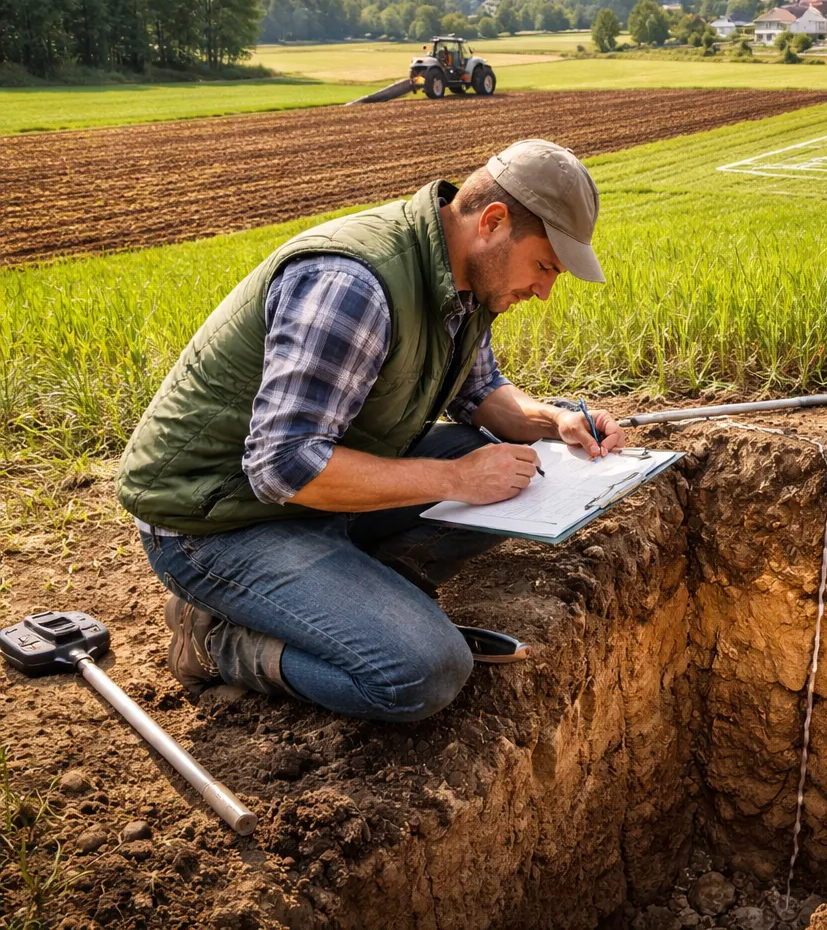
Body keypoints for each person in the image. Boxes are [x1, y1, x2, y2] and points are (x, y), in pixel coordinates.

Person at [116, 139, 624, 721]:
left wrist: (553, 422)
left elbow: (479, 391)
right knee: (423, 671)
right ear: (492, 222)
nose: (544, 290)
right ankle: (217, 641)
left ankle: (346, 598)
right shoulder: (353, 286)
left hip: (316, 492)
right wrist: (456, 478)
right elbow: (283, 465)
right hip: (221, 520)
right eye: (544, 266)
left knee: (510, 465)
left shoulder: (465, 277)